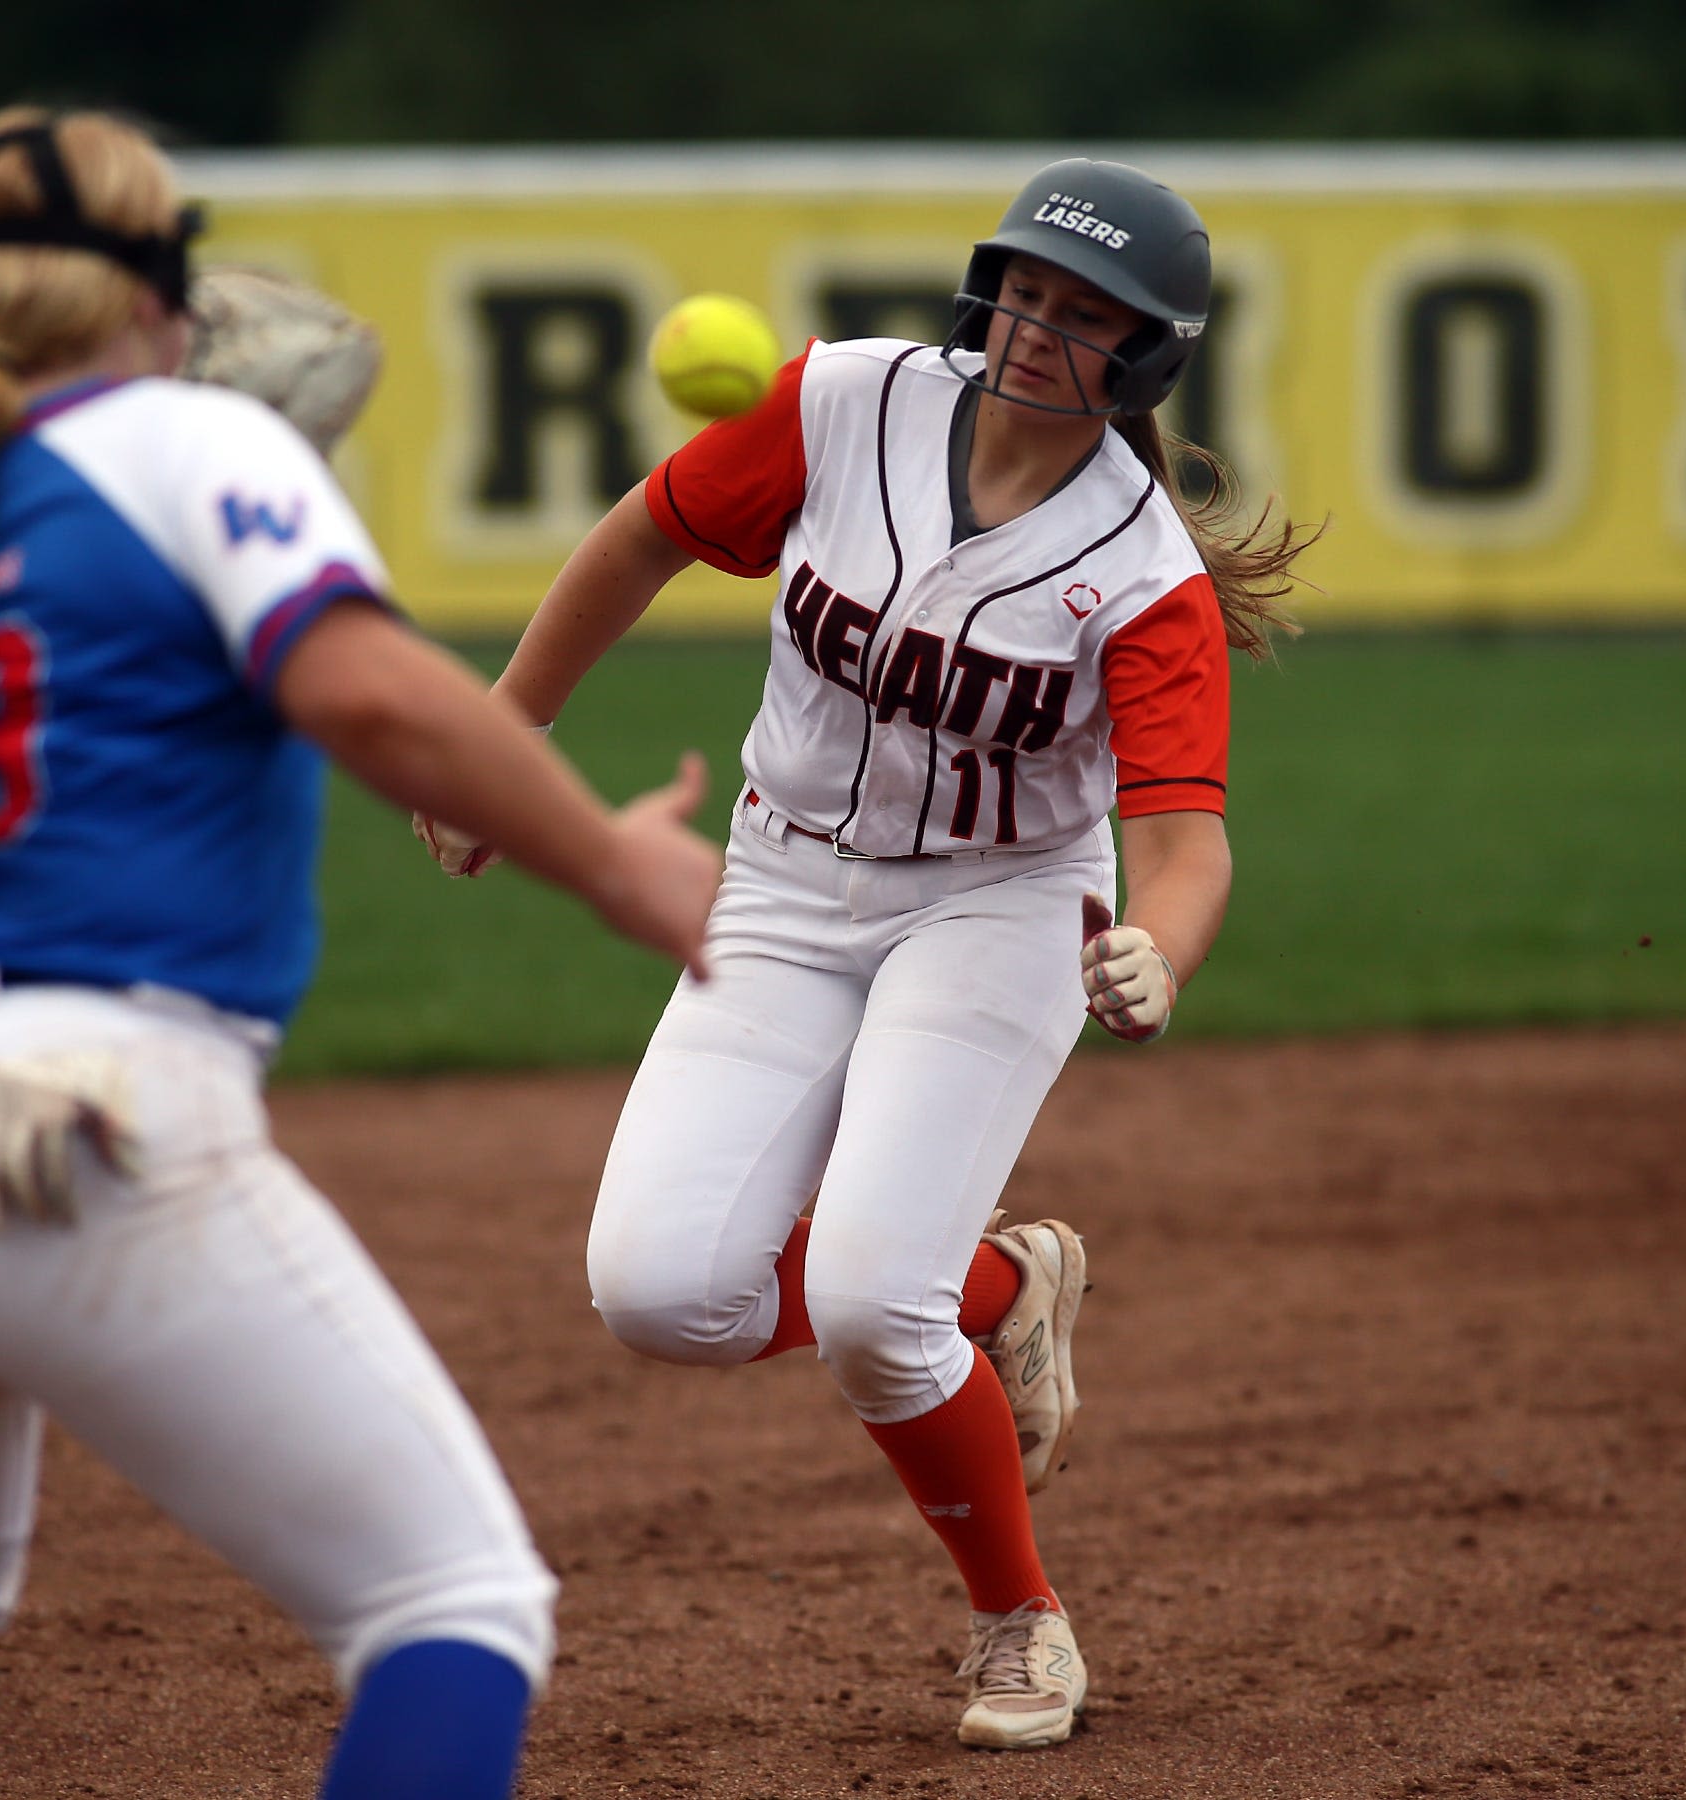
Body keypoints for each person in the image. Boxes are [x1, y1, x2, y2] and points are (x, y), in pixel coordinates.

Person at [0, 105, 721, 1800]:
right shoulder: (198, 447)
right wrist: (621, 866)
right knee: (453, 1604)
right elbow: (366, 693)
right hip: (72, 1106)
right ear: (155, 292)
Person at [414, 157, 1315, 1751]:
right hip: (777, 883)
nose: (1037, 328)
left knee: (865, 1310)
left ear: (1149, 356)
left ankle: (1019, 1624)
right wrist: (506, 737)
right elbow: (639, 539)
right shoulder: (846, 404)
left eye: (1083, 313)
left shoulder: (1144, 574)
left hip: (1000, 911)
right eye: (1025, 290)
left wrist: (1158, 957)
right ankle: (1005, 1285)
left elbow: (1185, 847)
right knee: (656, 1293)